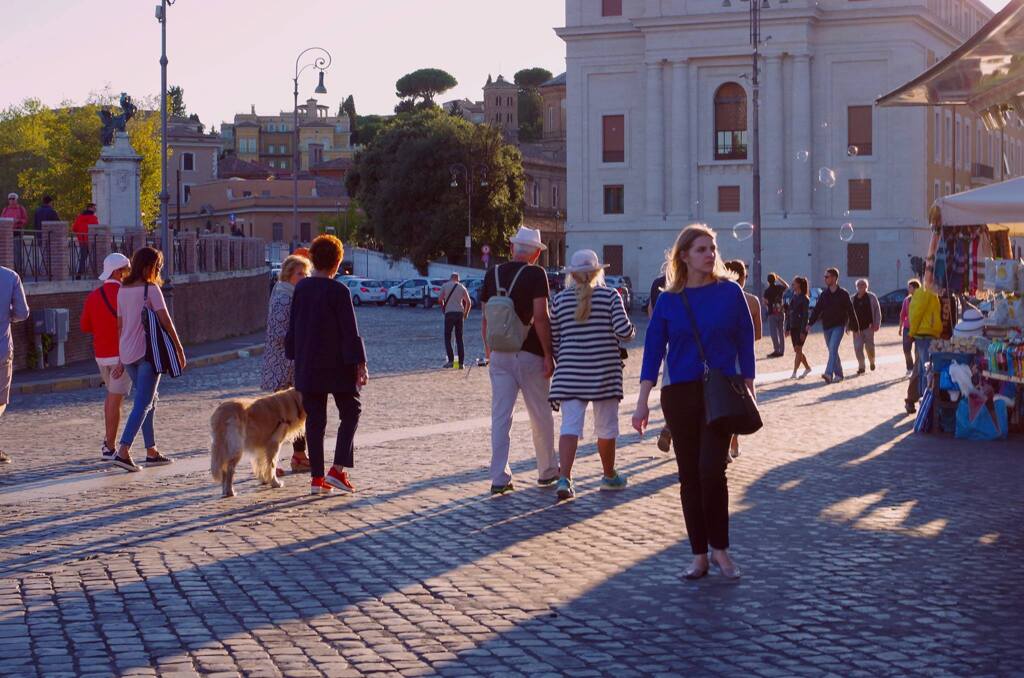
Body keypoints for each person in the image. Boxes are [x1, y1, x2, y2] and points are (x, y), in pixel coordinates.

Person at [632, 224, 755, 581]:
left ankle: (721, 551)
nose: (710, 254)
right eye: (702, 249)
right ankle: (699, 555)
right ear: (684, 255)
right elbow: (653, 351)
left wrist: (749, 384)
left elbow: (745, 340)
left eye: (713, 248)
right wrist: (642, 402)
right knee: (689, 477)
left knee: (712, 471)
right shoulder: (669, 299)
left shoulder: (730, 293)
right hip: (680, 394)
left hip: (719, 392)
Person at [549, 249, 636, 500]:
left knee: (570, 427)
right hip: (604, 371)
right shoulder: (610, 296)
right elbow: (623, 331)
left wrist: (565, 360)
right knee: (606, 427)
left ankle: (564, 478)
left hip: (569, 373)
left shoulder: (560, 300)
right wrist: (631, 332)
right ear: (598, 272)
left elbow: (555, 339)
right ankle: (609, 476)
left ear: (572, 275)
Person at [285, 234, 367, 496]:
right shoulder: (339, 291)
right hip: (337, 364)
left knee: (315, 421)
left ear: (312, 259)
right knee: (351, 412)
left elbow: (294, 326)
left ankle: (317, 480)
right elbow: (349, 332)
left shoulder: (302, 289)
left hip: (308, 363)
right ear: (337, 261)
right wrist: (360, 364)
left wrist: (293, 354)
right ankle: (338, 470)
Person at [480, 226, 559, 495]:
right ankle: (547, 470)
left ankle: (499, 477)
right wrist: (549, 354)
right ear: (536, 253)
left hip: (500, 353)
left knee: (501, 417)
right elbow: (541, 316)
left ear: (513, 249)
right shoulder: (537, 274)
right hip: (530, 353)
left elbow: (486, 318)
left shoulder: (493, 274)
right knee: (540, 414)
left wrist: (490, 350)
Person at [111, 247, 186, 471]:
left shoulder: (122, 289)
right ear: (150, 266)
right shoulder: (150, 289)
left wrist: (119, 358)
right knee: (143, 402)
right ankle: (123, 450)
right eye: (158, 266)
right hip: (147, 354)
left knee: (150, 400)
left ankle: (151, 450)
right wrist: (179, 348)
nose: (159, 270)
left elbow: (119, 325)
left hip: (127, 353)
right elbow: (165, 321)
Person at [261, 254, 313, 475]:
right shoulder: (284, 297)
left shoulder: (290, 294)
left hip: (290, 363)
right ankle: (269, 462)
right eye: (299, 273)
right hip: (284, 365)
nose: (303, 277)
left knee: (298, 413)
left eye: (306, 273)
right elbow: (280, 333)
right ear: (288, 275)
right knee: (280, 416)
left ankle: (299, 456)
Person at [80, 253, 132, 461]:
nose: (129, 273)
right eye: (127, 270)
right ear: (118, 272)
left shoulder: (94, 295)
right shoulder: (126, 294)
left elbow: (85, 326)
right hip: (122, 356)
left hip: (101, 355)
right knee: (115, 399)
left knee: (113, 397)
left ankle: (109, 441)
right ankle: (109, 446)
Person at [722, 260, 762, 461]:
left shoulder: (719, 298)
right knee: (741, 401)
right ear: (743, 278)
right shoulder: (753, 301)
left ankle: (725, 444)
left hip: (723, 357)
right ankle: (734, 441)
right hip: (743, 357)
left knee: (723, 401)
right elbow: (758, 334)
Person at [0, 264, 30, 464]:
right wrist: (6, 315)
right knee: (1, 398)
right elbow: (23, 312)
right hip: (1, 349)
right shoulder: (10, 276)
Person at [807, 267, 858, 384]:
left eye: (827, 277)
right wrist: (810, 323)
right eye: (825, 277)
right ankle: (839, 374)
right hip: (826, 327)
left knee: (833, 348)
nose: (825, 279)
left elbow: (851, 311)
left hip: (839, 326)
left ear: (834, 278)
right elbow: (817, 310)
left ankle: (829, 374)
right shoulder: (824, 294)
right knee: (832, 350)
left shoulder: (843, 294)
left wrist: (854, 327)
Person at [905, 283, 942, 414]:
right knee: (925, 369)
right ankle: (924, 400)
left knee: (922, 367)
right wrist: (911, 333)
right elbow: (916, 314)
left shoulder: (930, 292)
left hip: (927, 333)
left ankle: (922, 399)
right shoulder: (925, 292)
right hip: (925, 334)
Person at [647, 272, 673, 453]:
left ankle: (670, 425)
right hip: (684, 344)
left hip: (666, 343)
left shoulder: (657, 282)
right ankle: (670, 426)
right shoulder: (691, 281)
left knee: (670, 386)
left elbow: (651, 311)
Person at [438, 272, 471, 368]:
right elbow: (468, 302)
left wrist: (443, 306)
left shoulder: (445, 286)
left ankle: (451, 361)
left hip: (449, 313)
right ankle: (461, 363)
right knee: (459, 338)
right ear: (458, 279)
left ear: (450, 278)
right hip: (459, 313)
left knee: (447, 337)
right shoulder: (462, 287)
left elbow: (440, 300)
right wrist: (466, 313)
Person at [851, 278, 882, 374]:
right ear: (856, 287)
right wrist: (848, 326)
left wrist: (877, 323)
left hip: (869, 327)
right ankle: (861, 366)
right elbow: (848, 314)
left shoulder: (872, 297)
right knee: (858, 348)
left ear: (866, 287)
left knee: (870, 347)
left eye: (863, 285)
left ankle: (872, 361)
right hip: (857, 329)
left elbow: (877, 311)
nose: (861, 287)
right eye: (859, 285)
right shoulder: (852, 299)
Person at [786, 276, 813, 379]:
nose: (792, 284)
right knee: (797, 350)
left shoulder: (804, 298)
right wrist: (787, 328)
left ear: (799, 284)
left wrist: (803, 331)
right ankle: (807, 368)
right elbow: (790, 313)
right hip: (793, 327)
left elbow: (805, 316)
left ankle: (794, 372)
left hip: (801, 327)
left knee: (798, 349)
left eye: (794, 283)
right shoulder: (794, 297)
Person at [898, 279, 920, 376]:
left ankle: (917, 369)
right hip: (907, 328)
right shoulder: (907, 300)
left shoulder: (921, 299)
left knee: (917, 351)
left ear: (915, 288)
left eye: (910, 287)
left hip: (919, 329)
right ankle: (910, 367)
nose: (908, 289)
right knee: (906, 349)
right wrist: (900, 327)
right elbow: (903, 314)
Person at [763, 272, 788, 357]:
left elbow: (765, 302)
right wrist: (779, 278)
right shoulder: (779, 288)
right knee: (781, 332)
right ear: (775, 280)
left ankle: (776, 350)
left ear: (768, 281)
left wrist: (768, 306)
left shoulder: (767, 291)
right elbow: (787, 286)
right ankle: (782, 351)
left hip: (772, 313)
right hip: (780, 311)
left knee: (774, 333)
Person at [2, 193, 29, 274]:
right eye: (10, 199)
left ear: (16, 200)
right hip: (7, 234)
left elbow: (25, 220)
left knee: (17, 251)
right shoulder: (6, 209)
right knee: (7, 252)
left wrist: (18, 221)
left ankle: (18, 270)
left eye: (13, 199)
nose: (11, 200)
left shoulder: (21, 209)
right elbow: (2, 219)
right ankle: (8, 269)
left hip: (17, 231)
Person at [71, 203, 99, 279]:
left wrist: (80, 236)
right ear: (89, 208)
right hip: (91, 241)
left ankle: (79, 273)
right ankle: (94, 274)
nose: (95, 209)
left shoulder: (79, 217)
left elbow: (74, 228)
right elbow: (97, 229)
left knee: (83, 258)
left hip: (82, 240)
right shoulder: (93, 218)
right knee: (94, 257)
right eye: (94, 208)